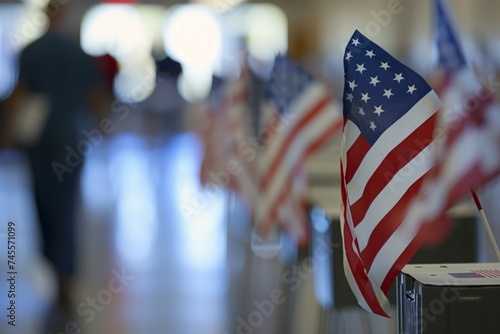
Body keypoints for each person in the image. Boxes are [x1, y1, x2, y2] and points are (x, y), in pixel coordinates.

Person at [3, 0, 108, 329]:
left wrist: (9, 135)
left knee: (43, 201)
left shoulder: (32, 52)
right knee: (66, 203)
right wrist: (101, 128)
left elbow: (19, 94)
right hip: (71, 138)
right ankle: (64, 272)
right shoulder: (79, 53)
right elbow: (95, 98)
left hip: (41, 139)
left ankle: (53, 264)